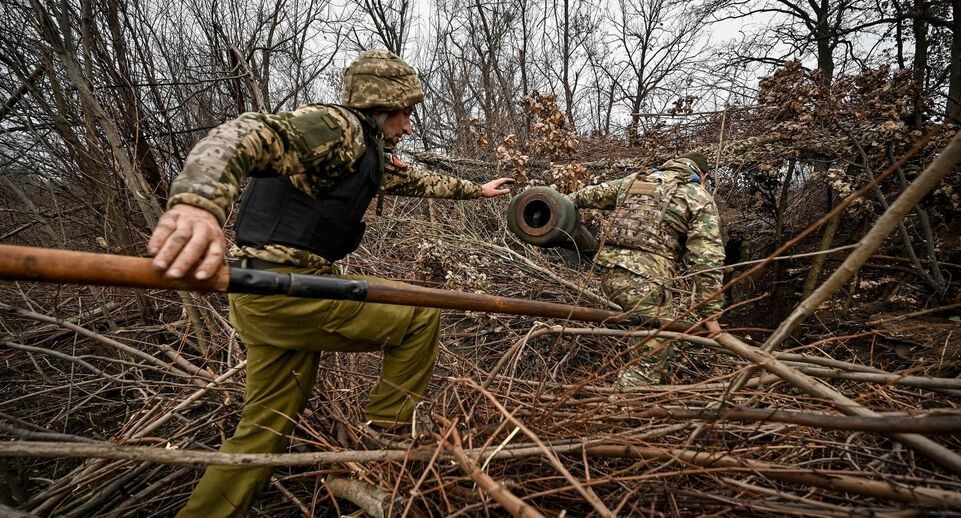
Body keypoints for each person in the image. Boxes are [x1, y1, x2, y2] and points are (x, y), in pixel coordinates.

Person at [146, 50, 513, 517]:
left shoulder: (364, 151)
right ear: (383, 106)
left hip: (269, 295)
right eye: (407, 113)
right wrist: (198, 202)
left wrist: (476, 191)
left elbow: (416, 182)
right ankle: (384, 444)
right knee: (419, 312)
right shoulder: (334, 128)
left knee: (265, 430)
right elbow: (245, 131)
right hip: (282, 287)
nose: (410, 125)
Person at [567, 153, 724, 385]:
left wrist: (547, 203)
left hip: (609, 274)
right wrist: (710, 312)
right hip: (646, 284)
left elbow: (583, 196)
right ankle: (619, 412)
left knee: (661, 342)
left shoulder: (634, 181)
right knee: (645, 365)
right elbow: (707, 258)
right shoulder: (697, 195)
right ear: (704, 176)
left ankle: (655, 391)